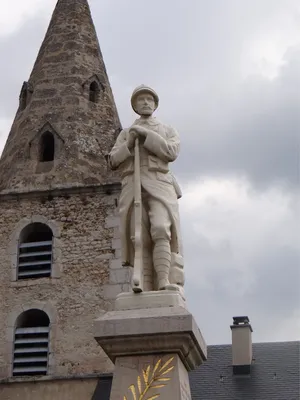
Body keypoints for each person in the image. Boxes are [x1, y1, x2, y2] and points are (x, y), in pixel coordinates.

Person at [109, 85, 184, 294]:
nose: (145, 103)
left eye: (149, 100)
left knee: (161, 229)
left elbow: (171, 152)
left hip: (159, 183)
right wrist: (130, 142)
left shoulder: (167, 130)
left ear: (155, 104)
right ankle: (143, 282)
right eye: (141, 100)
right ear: (135, 105)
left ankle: (163, 281)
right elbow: (113, 160)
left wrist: (146, 136)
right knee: (138, 236)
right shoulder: (126, 134)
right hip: (133, 185)